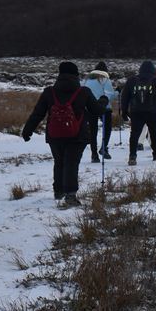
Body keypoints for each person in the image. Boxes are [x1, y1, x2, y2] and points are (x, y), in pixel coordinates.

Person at [21, 61, 105, 206]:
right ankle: (70, 195)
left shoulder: (49, 92)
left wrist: (27, 131)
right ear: (76, 75)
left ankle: (58, 191)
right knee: (71, 163)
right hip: (77, 135)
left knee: (59, 162)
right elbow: (97, 111)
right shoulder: (83, 92)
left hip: (55, 135)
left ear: (59, 75)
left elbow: (37, 114)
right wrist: (103, 101)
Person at [120, 60, 156, 164]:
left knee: (134, 134)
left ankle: (132, 156)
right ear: (153, 69)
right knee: (154, 133)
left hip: (136, 112)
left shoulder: (131, 80)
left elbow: (124, 97)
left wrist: (124, 112)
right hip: (154, 111)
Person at [83, 61, 118, 163]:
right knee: (107, 128)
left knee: (93, 131)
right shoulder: (105, 80)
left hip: (90, 108)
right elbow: (109, 95)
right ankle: (104, 147)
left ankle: (94, 155)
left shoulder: (86, 81)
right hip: (104, 108)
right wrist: (117, 92)